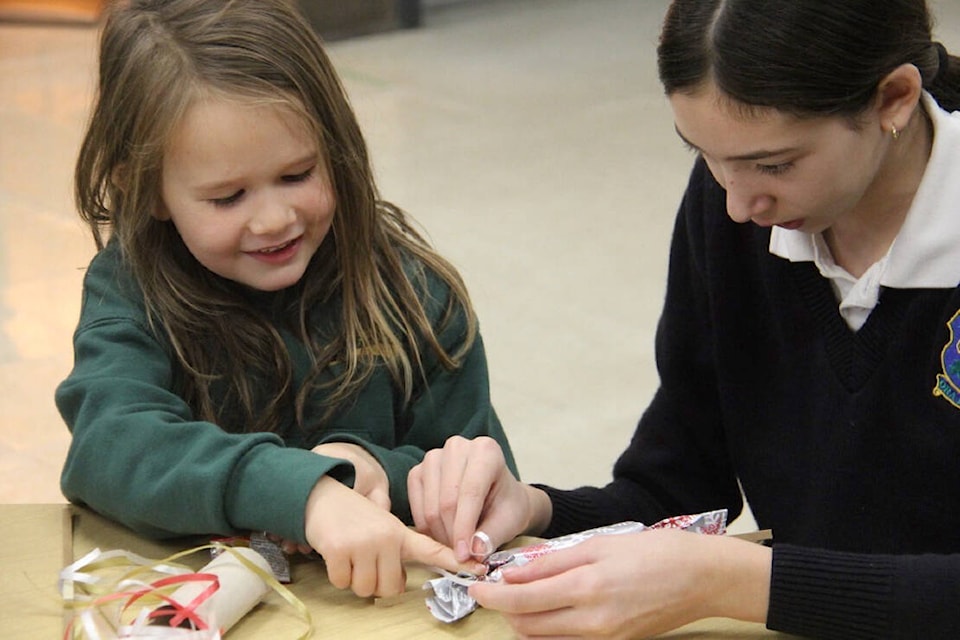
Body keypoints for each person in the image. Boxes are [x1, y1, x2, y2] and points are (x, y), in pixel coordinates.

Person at [407, 0, 960, 637]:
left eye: (775, 163)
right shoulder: (740, 207)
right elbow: (680, 485)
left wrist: (739, 582)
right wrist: (532, 507)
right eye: (703, 154)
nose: (735, 205)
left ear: (893, 98)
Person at [56, 0, 516, 599]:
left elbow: (483, 486)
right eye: (227, 197)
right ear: (144, 190)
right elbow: (110, 448)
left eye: (298, 174)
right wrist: (306, 492)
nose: (274, 219)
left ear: (336, 147)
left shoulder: (416, 294)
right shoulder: (130, 288)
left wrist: (370, 468)